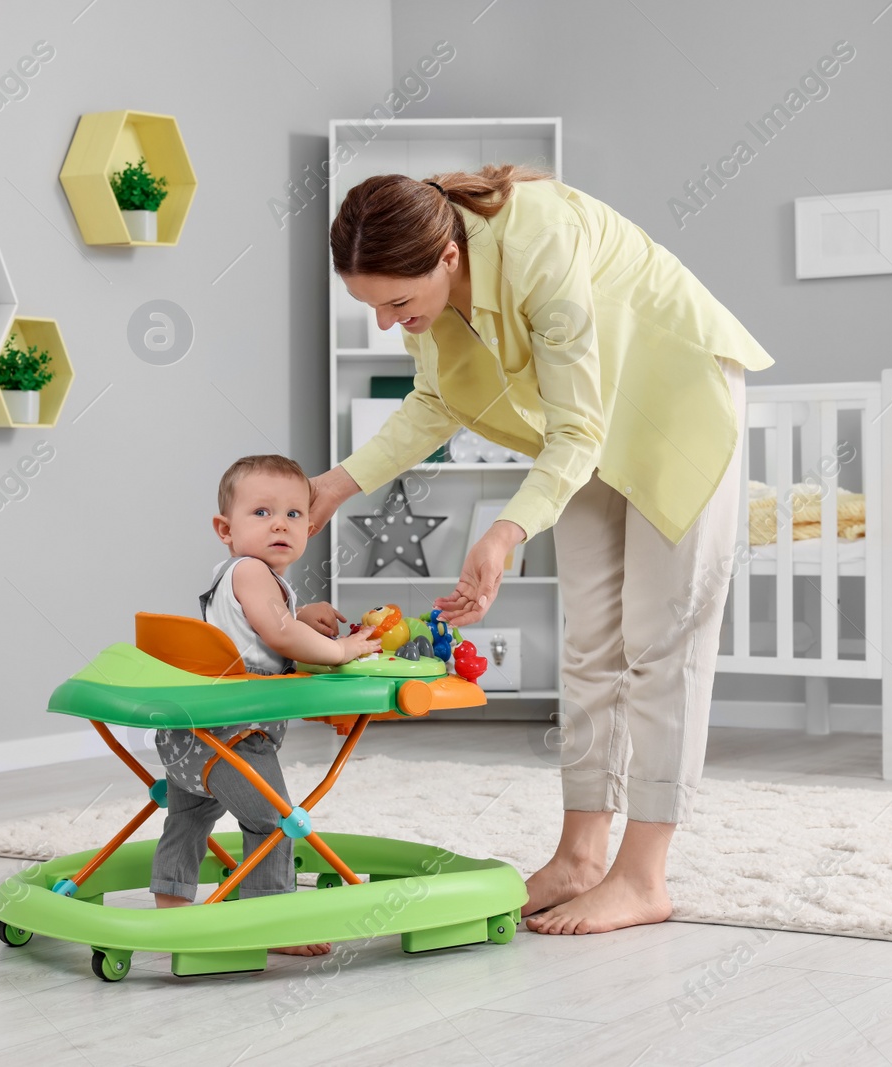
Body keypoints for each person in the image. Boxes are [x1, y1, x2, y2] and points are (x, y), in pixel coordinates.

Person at [307, 165, 773, 935]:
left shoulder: (537, 240)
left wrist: (507, 528)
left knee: (663, 642)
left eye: (397, 302)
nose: (388, 323)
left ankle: (643, 875)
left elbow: (578, 430)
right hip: (581, 423)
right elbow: (434, 402)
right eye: (371, 307)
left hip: (672, 399)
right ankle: (581, 854)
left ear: (447, 259)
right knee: (590, 640)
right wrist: (337, 482)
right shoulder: (435, 294)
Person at [149, 454, 381, 955]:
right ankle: (276, 922)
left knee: (187, 821)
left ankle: (171, 908)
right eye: (261, 513)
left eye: (294, 515)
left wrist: (303, 611)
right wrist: (343, 650)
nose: (280, 523)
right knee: (273, 822)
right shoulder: (254, 573)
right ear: (224, 528)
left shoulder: (233, 575)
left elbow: (267, 625)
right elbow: (279, 633)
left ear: (310, 526)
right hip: (236, 735)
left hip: (191, 738)